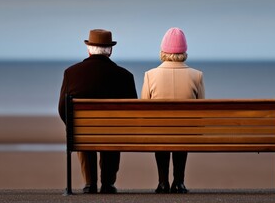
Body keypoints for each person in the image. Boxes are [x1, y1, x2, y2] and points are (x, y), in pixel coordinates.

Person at [59, 29, 138, 194]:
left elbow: (62, 107)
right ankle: (108, 183)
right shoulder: (125, 76)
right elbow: (133, 111)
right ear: (110, 51)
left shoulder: (71, 73)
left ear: (89, 49)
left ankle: (90, 183)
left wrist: (72, 125)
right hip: (113, 134)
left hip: (83, 133)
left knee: (81, 130)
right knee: (113, 131)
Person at [141, 27, 205, 194]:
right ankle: (179, 182)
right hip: (186, 132)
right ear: (184, 51)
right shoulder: (196, 75)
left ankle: (163, 182)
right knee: (182, 129)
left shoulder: (150, 75)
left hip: (158, 132)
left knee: (160, 130)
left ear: (163, 50)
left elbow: (143, 108)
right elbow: (202, 107)